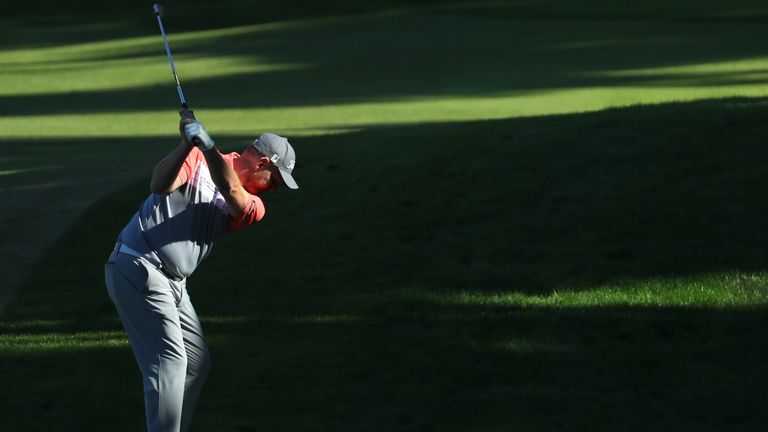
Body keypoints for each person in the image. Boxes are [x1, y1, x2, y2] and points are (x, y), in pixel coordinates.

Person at [104, 109, 298, 432]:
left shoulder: (254, 205)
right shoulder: (196, 158)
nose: (273, 190)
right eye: (274, 181)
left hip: (172, 283)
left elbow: (233, 194)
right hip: (137, 264)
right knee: (172, 361)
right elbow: (158, 185)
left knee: (196, 361)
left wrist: (207, 148)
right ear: (264, 164)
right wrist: (186, 145)